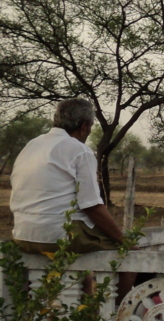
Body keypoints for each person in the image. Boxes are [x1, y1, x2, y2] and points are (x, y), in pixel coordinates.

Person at [11, 98, 126, 254]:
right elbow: (92, 206)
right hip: (58, 236)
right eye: (90, 126)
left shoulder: (32, 145)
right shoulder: (80, 150)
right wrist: (124, 240)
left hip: (22, 235)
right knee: (121, 247)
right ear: (84, 126)